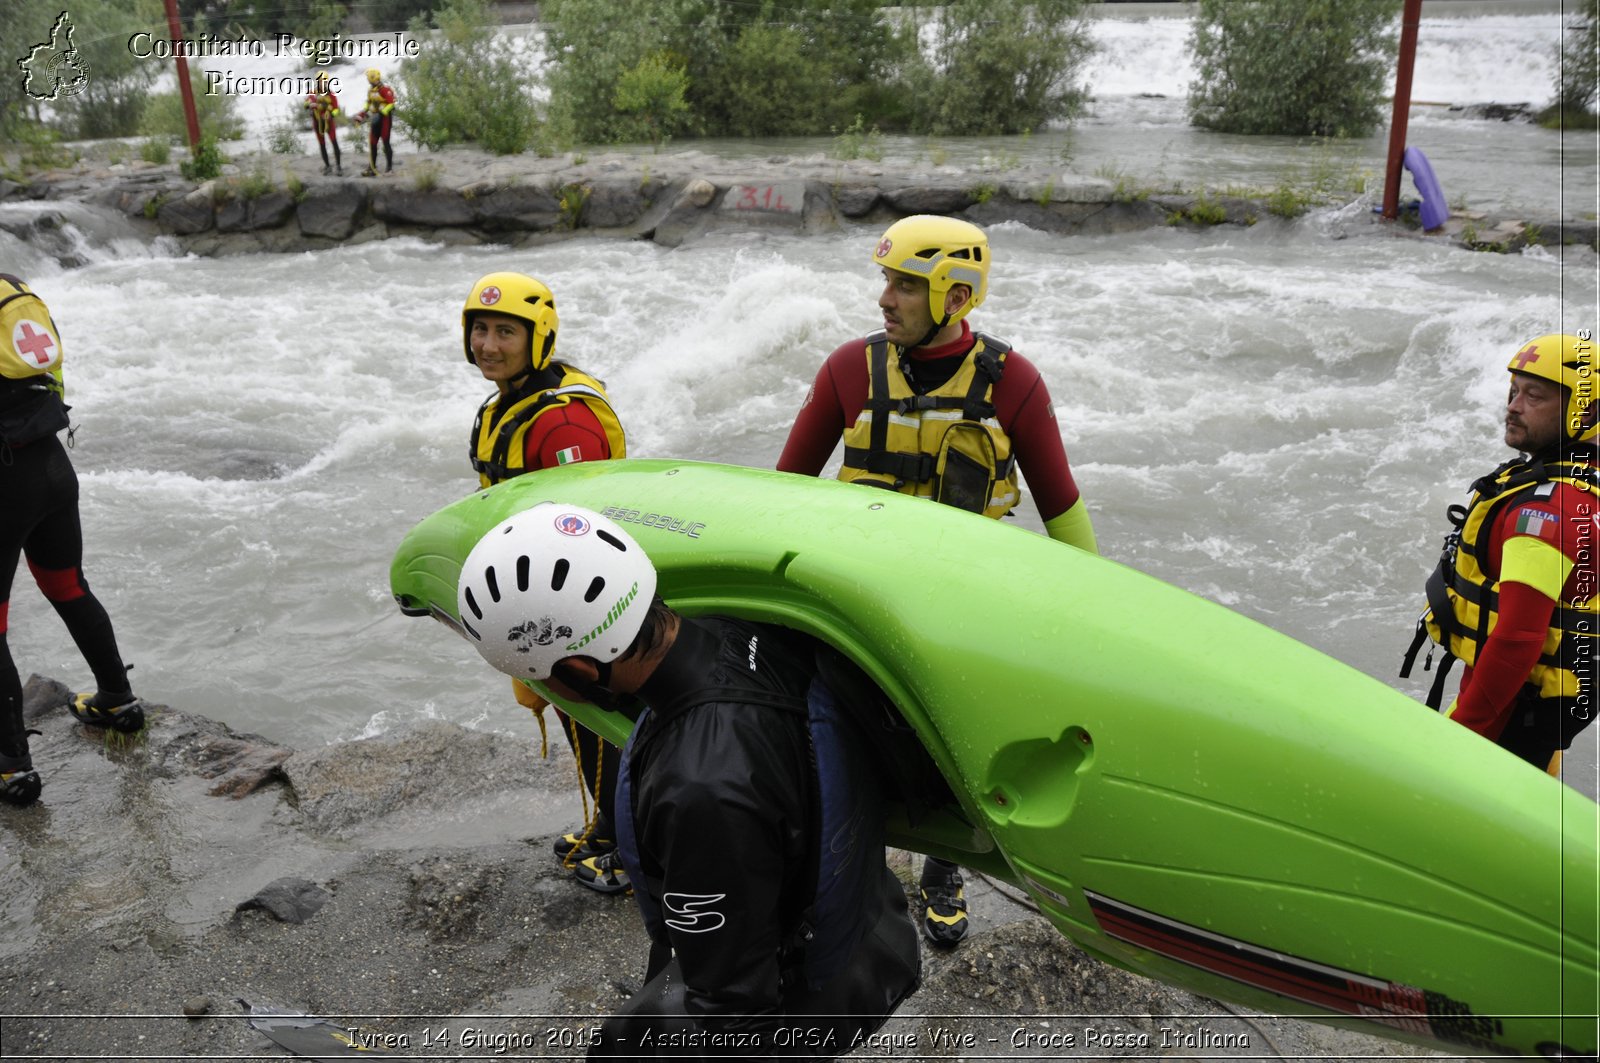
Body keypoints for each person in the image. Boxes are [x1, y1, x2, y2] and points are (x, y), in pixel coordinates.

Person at [456, 504, 920, 1056]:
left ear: (579, 670)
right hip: (870, 917)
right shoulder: (747, 626)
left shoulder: (700, 790)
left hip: (812, 993)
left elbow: (732, 1012)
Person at [777, 214, 1099, 949]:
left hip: (962, 611)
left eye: (905, 286)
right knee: (838, 752)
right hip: (861, 605)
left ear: (955, 296)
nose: (884, 299)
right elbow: (783, 494)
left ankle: (942, 866)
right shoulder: (846, 371)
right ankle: (847, 874)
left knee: (953, 751)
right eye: (885, 280)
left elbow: (1067, 519)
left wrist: (1091, 629)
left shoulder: (1013, 384)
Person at [461, 271, 631, 893]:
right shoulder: (508, 400)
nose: (488, 345)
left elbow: (581, 527)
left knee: (599, 719)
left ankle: (625, 847)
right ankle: (611, 826)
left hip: (577, 601)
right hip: (539, 591)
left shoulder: (563, 424)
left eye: (505, 332)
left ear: (539, 339)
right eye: (480, 329)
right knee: (573, 715)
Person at [1402, 332, 1597, 775]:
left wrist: (1459, 738)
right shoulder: (1584, 485)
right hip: (1540, 711)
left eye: (1535, 396)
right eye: (1513, 391)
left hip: (1509, 713)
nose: (1513, 405)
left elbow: (1518, 640)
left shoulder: (1548, 515)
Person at [0, 275, 145, 807]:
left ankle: (12, 767)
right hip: (51, 466)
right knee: (67, 585)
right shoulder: (12, 290)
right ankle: (117, 701)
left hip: (3, 480)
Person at [352, 67, 396, 177]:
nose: (368, 80)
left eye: (368, 78)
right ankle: (372, 168)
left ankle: (389, 168)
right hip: (375, 119)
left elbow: (391, 104)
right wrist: (361, 115)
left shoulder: (385, 90)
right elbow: (368, 104)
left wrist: (382, 113)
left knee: (386, 143)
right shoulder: (370, 91)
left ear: (373, 78)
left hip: (384, 119)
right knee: (372, 143)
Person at [302, 71, 342, 176]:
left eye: (323, 81)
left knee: (334, 142)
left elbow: (336, 109)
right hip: (317, 122)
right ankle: (327, 166)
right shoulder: (312, 93)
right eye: (319, 81)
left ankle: (338, 166)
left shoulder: (331, 94)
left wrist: (330, 115)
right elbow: (305, 104)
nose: (321, 83)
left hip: (329, 123)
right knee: (322, 144)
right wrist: (310, 104)